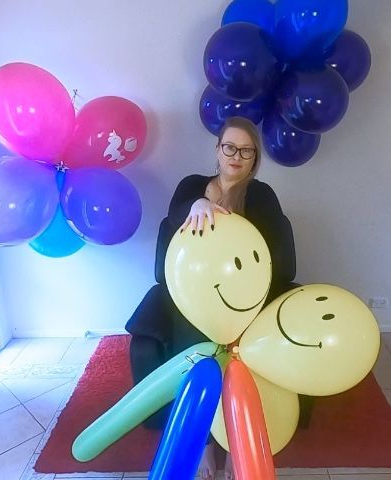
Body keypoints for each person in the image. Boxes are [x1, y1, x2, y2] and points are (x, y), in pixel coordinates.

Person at [125, 116, 299, 480]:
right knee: (193, 339)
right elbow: (177, 212)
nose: (237, 156)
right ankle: (203, 443)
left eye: (246, 150)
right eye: (230, 147)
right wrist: (197, 205)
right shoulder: (193, 185)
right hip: (196, 297)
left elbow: (274, 257)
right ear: (217, 150)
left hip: (246, 298)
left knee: (244, 352)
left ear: (255, 158)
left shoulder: (261, 194)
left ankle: (239, 444)